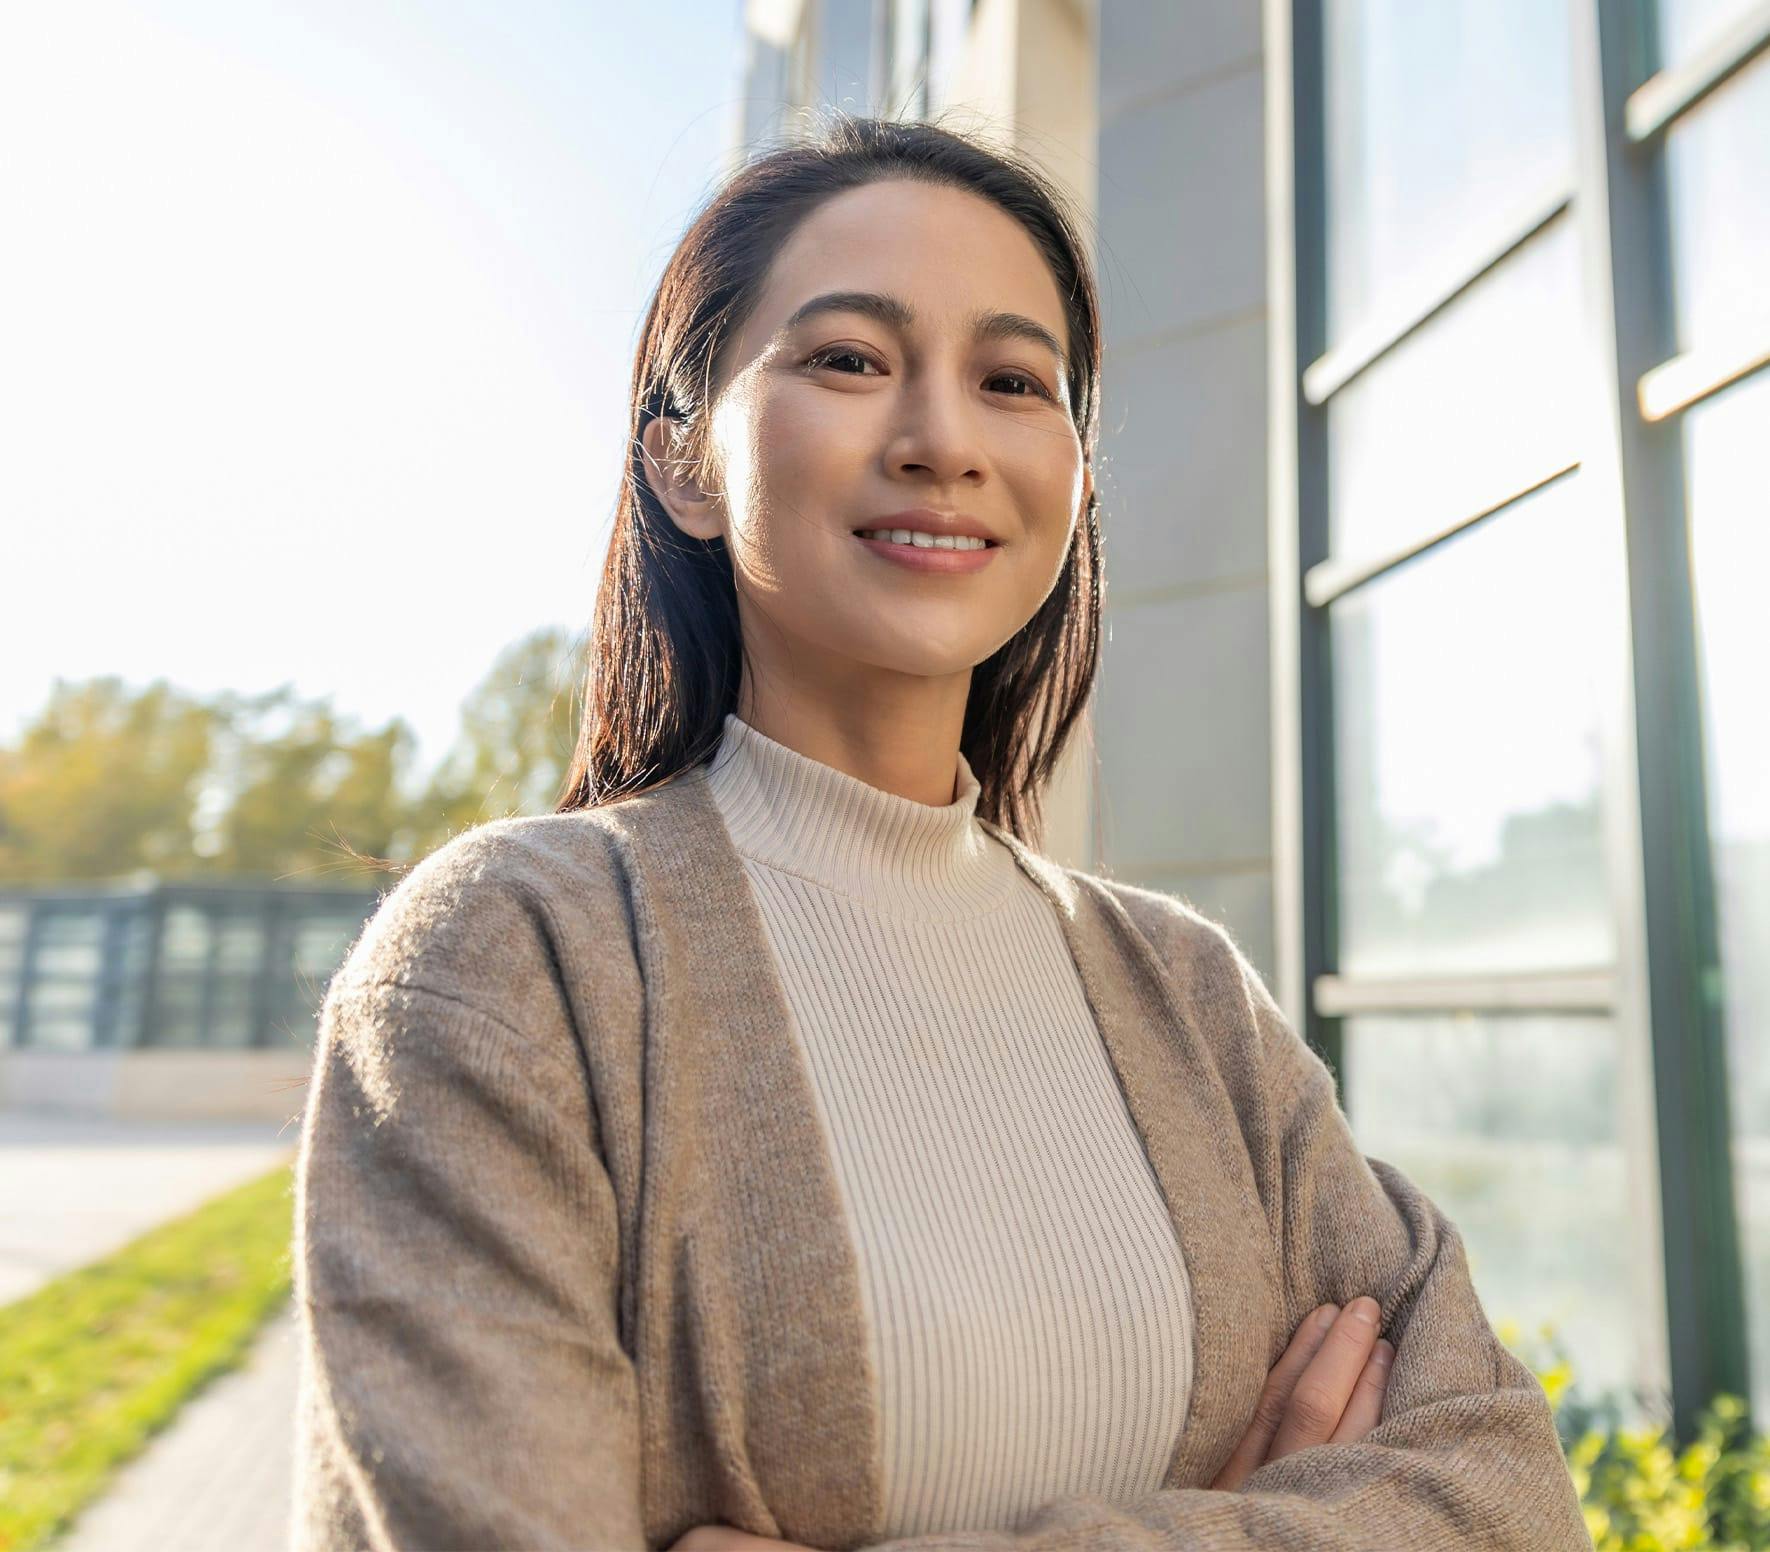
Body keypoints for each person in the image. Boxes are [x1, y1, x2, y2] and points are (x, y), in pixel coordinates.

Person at [290, 114, 1592, 1551]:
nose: (941, 441)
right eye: (847, 358)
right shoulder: (515, 958)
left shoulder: (1186, 993)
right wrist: (1252, 1520)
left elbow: (1501, 1495)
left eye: (1012, 380)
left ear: (1076, 474)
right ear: (682, 462)